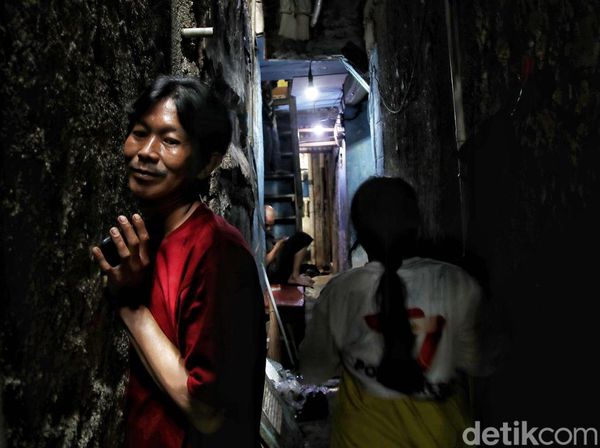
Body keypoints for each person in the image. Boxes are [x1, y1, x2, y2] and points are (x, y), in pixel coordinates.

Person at [92, 76, 266, 447]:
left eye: (170, 141)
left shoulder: (217, 252)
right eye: (140, 133)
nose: (146, 151)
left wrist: (130, 307)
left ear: (207, 163)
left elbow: (207, 411)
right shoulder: (155, 237)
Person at [299, 177, 484, 447]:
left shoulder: (341, 292)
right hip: (442, 438)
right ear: (417, 225)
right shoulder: (456, 282)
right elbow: (480, 361)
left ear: (360, 235)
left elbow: (314, 368)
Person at [264, 204, 315, 287]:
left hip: (276, 268)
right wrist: (277, 247)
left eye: (271, 225)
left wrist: (280, 243)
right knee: (301, 238)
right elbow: (264, 262)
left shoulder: (267, 234)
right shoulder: (259, 237)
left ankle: (292, 277)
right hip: (271, 274)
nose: (269, 228)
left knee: (310, 268)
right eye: (267, 225)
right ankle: (295, 276)